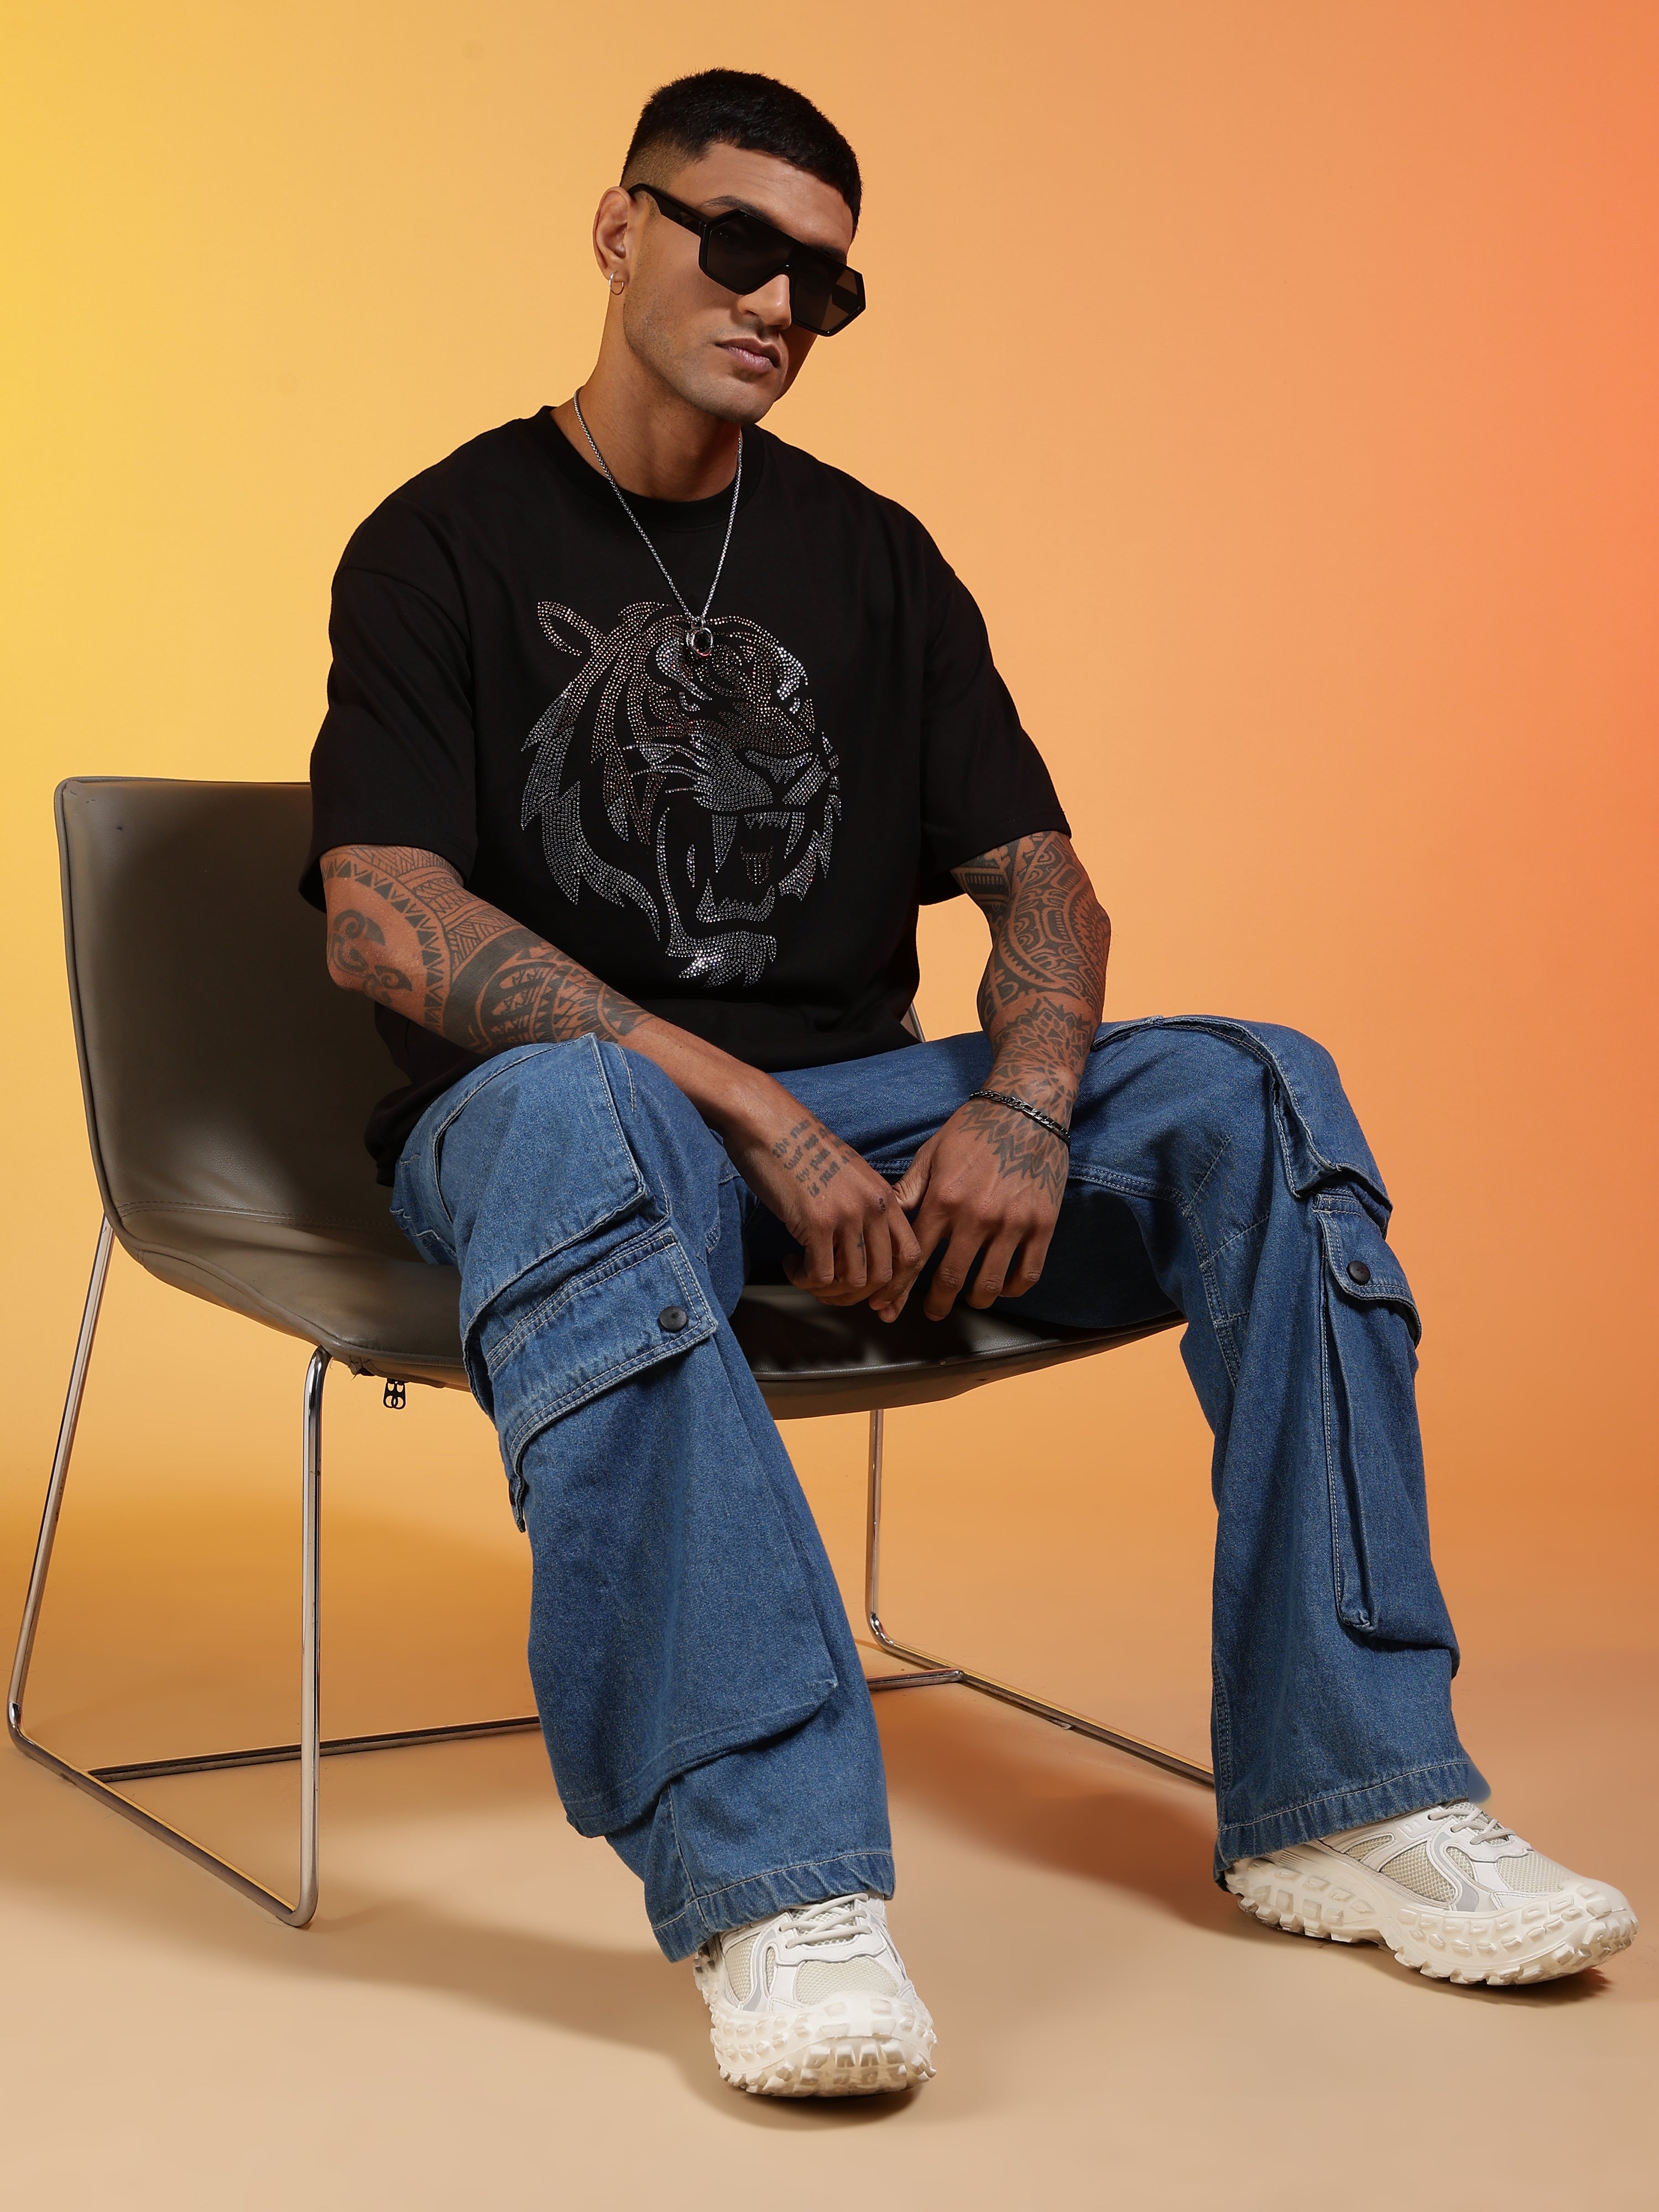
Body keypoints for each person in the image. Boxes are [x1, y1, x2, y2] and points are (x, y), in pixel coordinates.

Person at [302, 69, 1634, 2096]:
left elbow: (1042, 882)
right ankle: (778, 1881)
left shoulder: (872, 556)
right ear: (620, 228)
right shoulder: (439, 543)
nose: (776, 303)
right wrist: (756, 1112)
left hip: (878, 1131)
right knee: (593, 1114)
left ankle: (1354, 1794)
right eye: (736, 244)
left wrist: (1018, 1105)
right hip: (567, 1135)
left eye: (825, 284)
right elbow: (385, 918)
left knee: (1263, 1090)